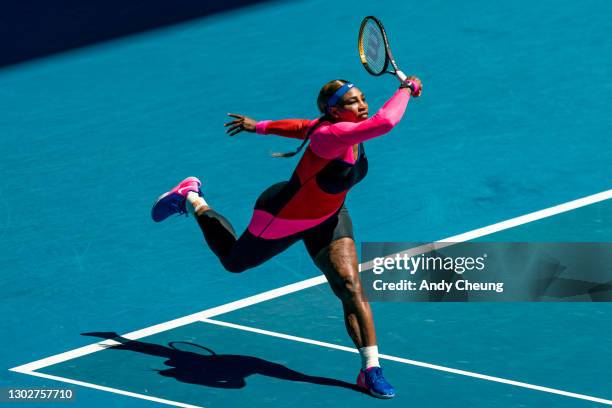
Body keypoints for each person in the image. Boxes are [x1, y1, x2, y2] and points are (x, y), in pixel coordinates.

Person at [151, 76, 422, 398]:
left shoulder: (330, 127)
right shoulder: (333, 134)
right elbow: (386, 121)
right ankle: (191, 197)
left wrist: (260, 126)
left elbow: (303, 126)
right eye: (353, 102)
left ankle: (371, 370)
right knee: (235, 262)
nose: (363, 105)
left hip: (329, 216)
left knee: (350, 285)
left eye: (363, 98)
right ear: (335, 112)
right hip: (282, 217)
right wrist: (406, 88)